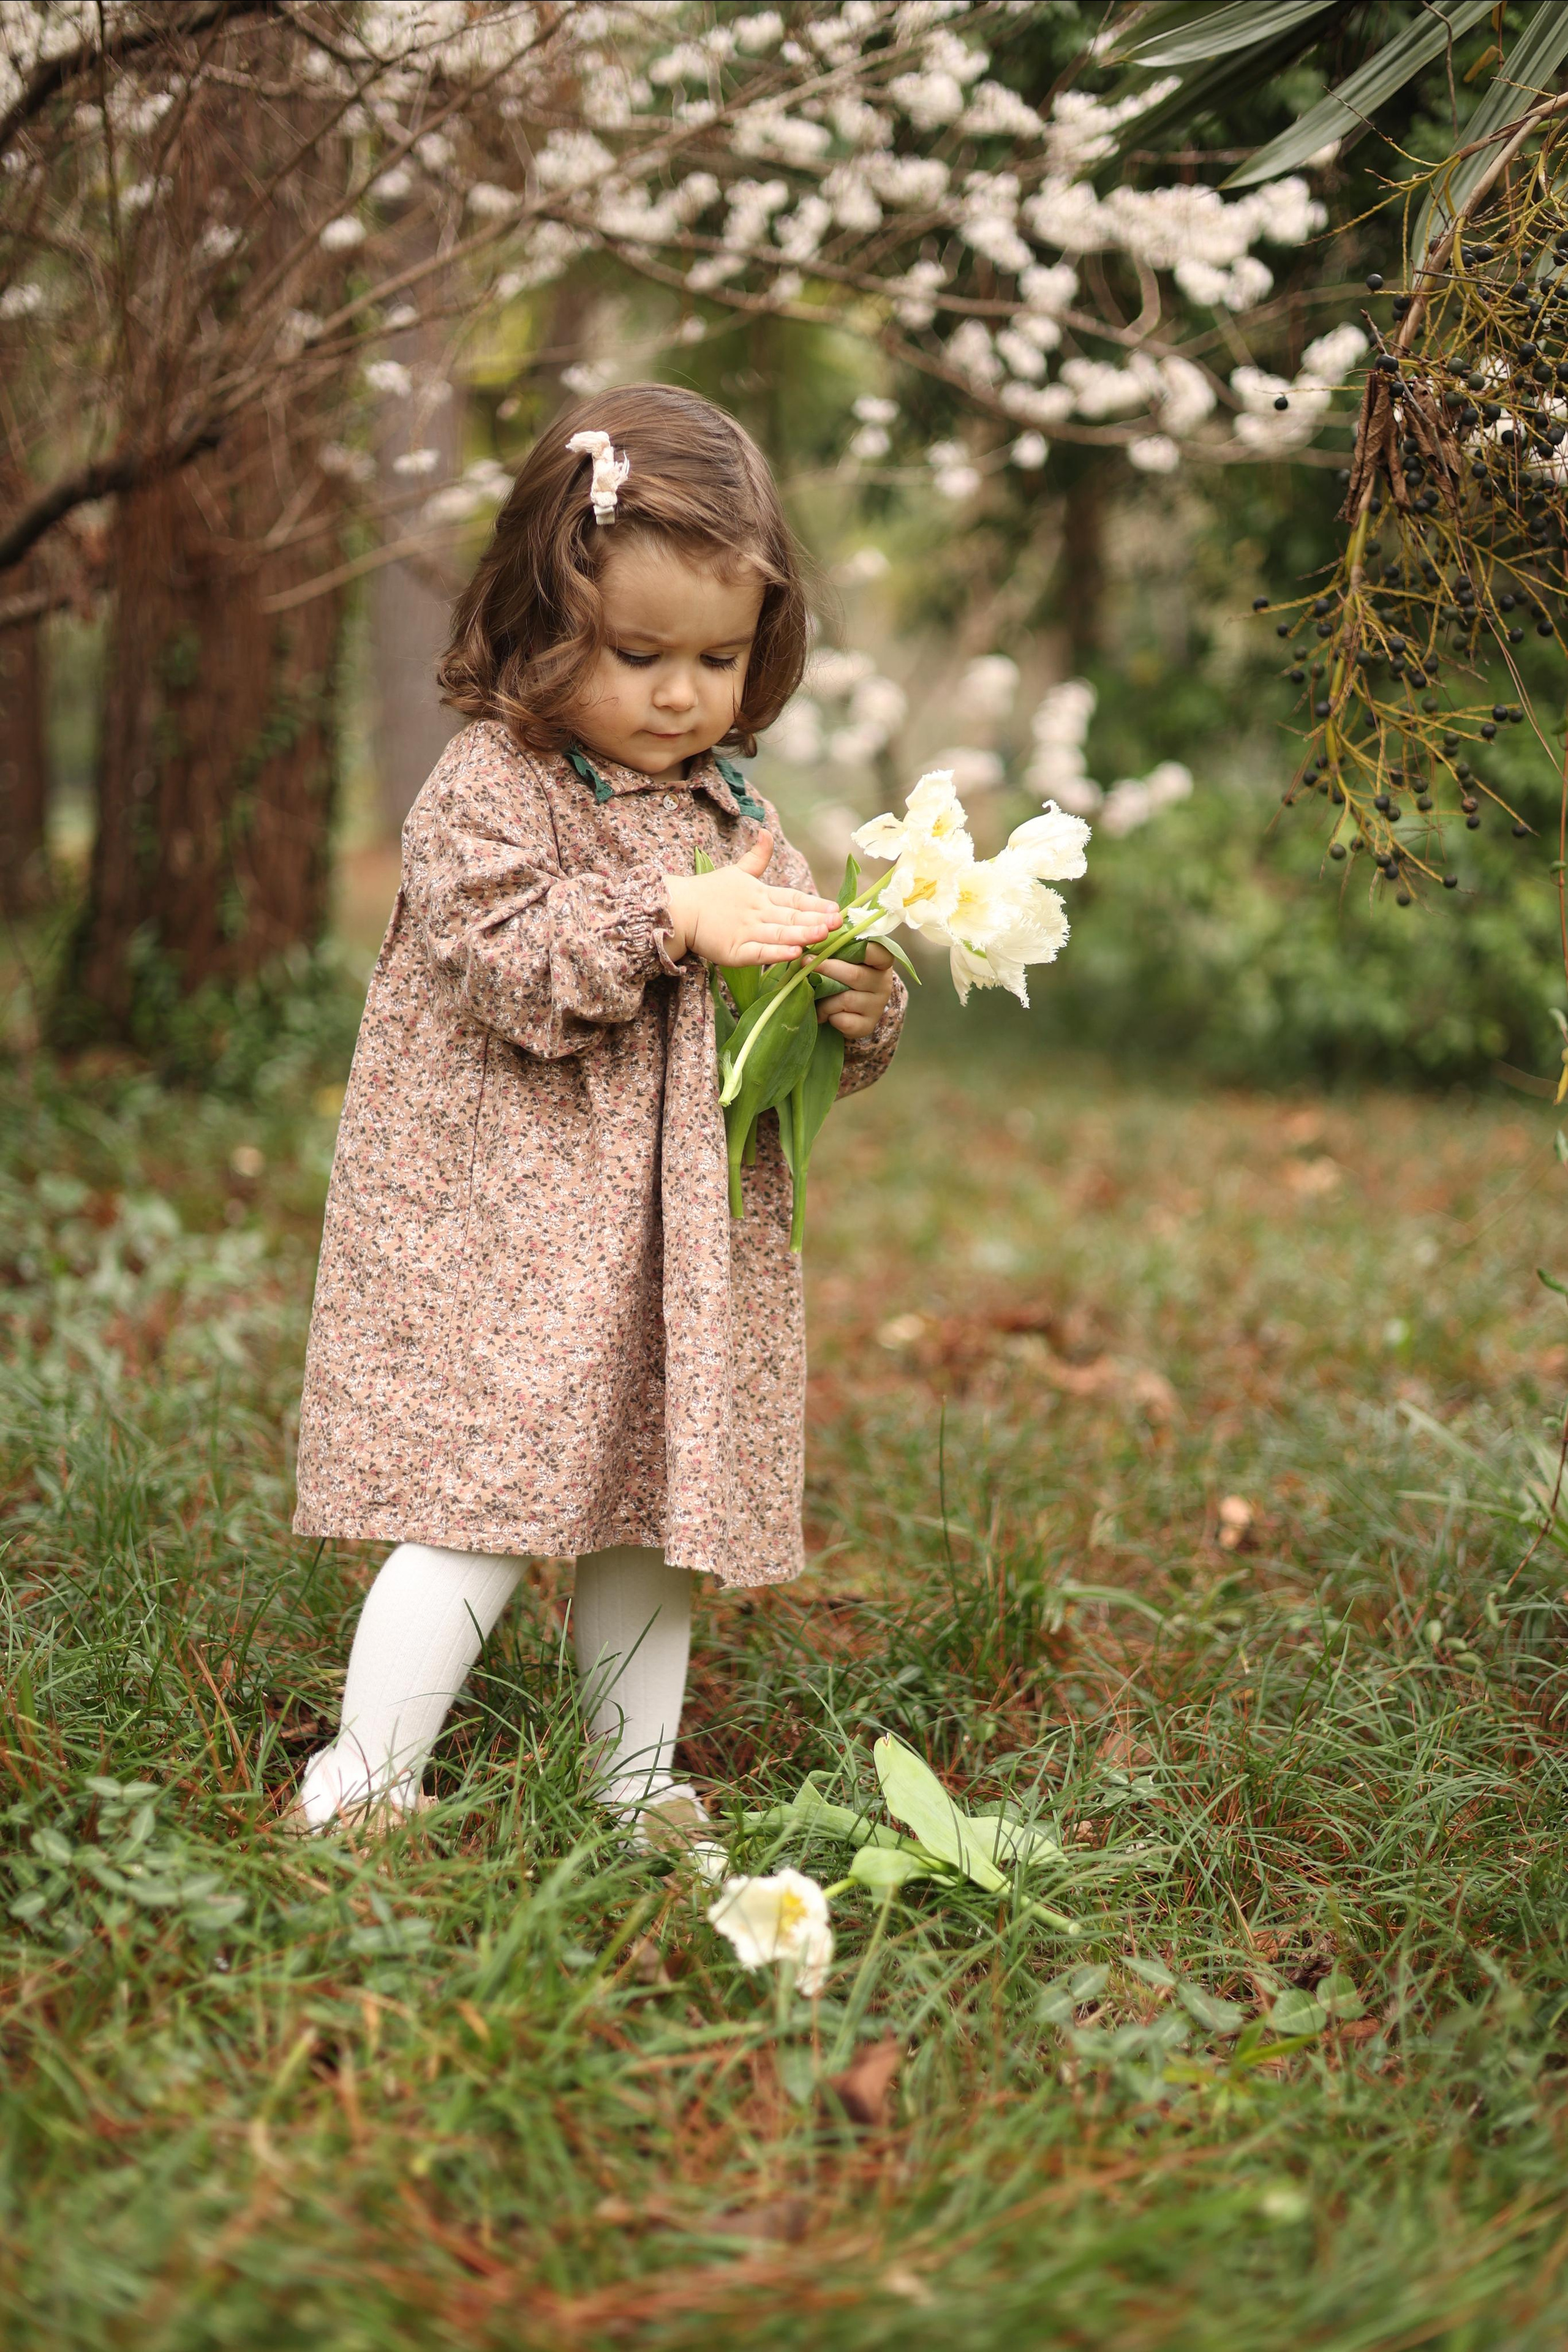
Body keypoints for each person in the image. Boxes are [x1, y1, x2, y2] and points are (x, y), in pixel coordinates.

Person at [287, 384, 905, 1846]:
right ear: (542, 619)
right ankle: (365, 1778)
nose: (680, 696)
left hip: (673, 1255)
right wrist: (668, 919)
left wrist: (849, 1009)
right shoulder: (491, 788)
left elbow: (769, 1030)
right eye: (639, 655)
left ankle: (635, 1783)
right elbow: (507, 965)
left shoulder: (734, 816)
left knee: (653, 1513)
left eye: (718, 658)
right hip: (510, 1235)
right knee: (481, 1505)